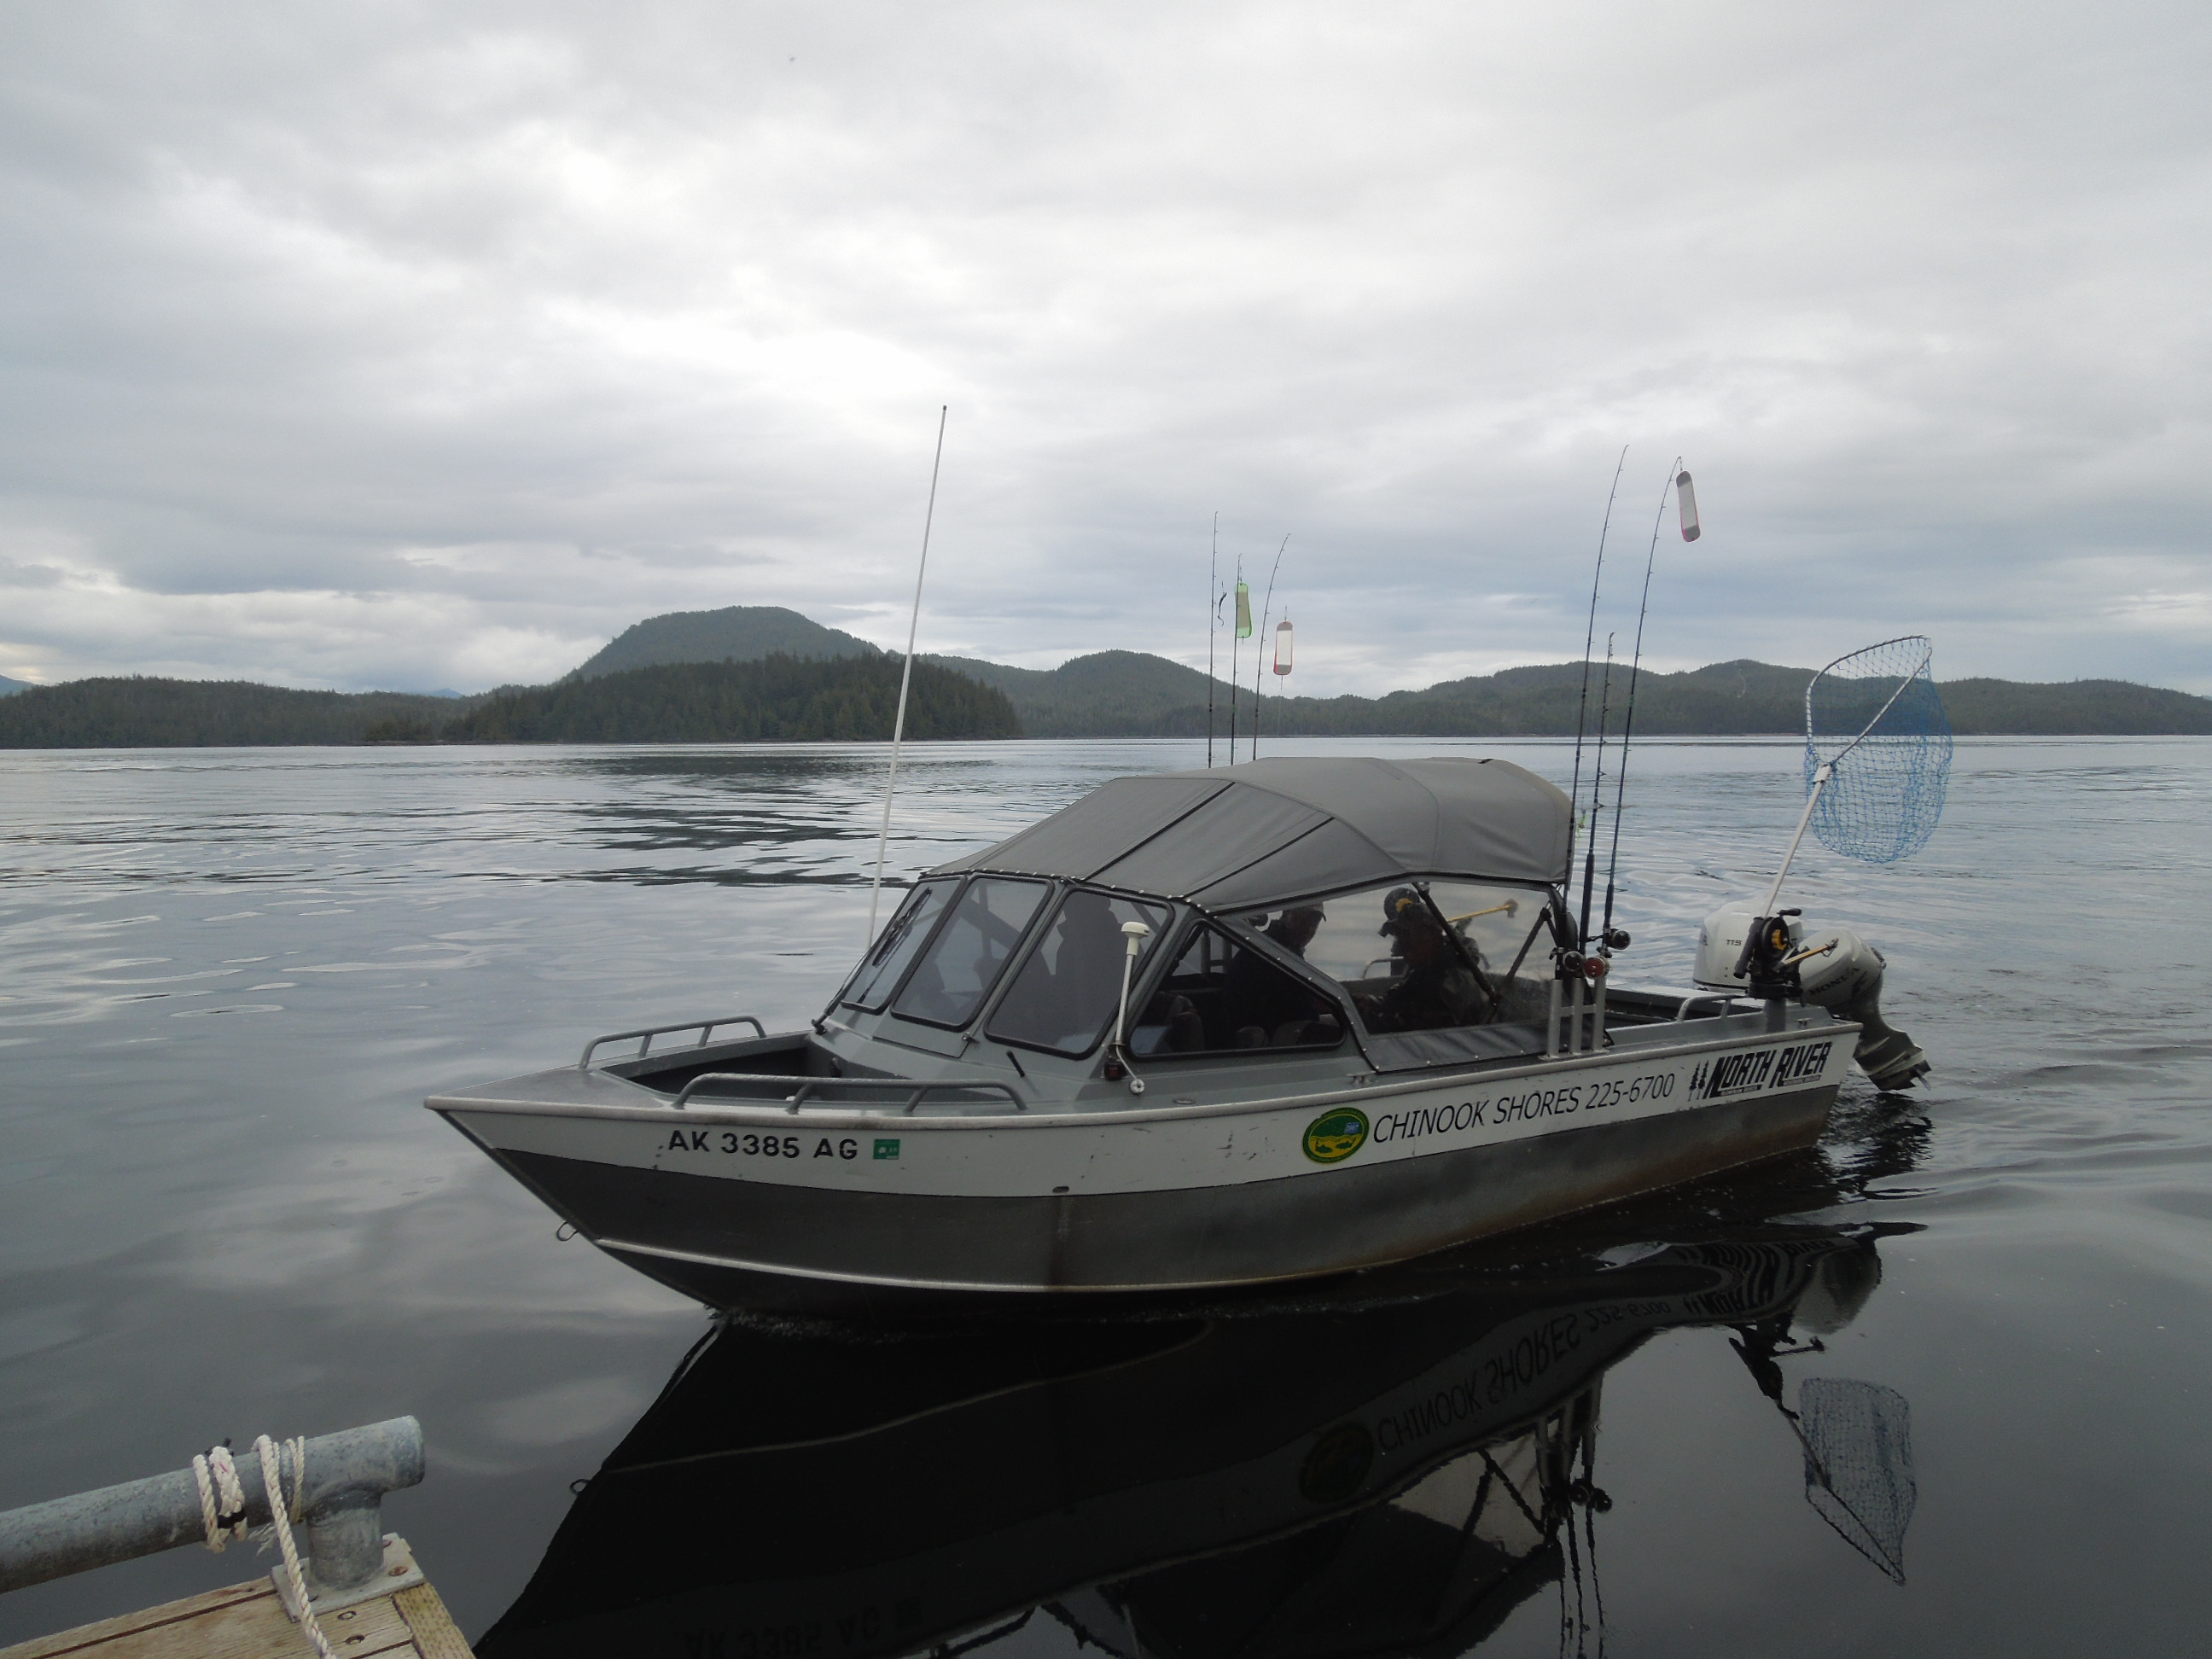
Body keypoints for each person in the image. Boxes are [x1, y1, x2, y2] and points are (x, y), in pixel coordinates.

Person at [1355, 888, 1487, 1033]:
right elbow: (1398, 998)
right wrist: (1372, 1004)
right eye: (1399, 937)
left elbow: (1416, 1031)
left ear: (1432, 936)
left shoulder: (1451, 984)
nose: (1401, 946)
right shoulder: (1428, 969)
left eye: (1407, 936)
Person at [1220, 906, 1334, 1043]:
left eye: (1314, 922)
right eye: (1303, 919)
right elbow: (1298, 1006)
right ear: (1286, 915)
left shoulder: (1281, 946)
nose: (1309, 928)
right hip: (1271, 1037)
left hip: (1282, 1025)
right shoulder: (1274, 953)